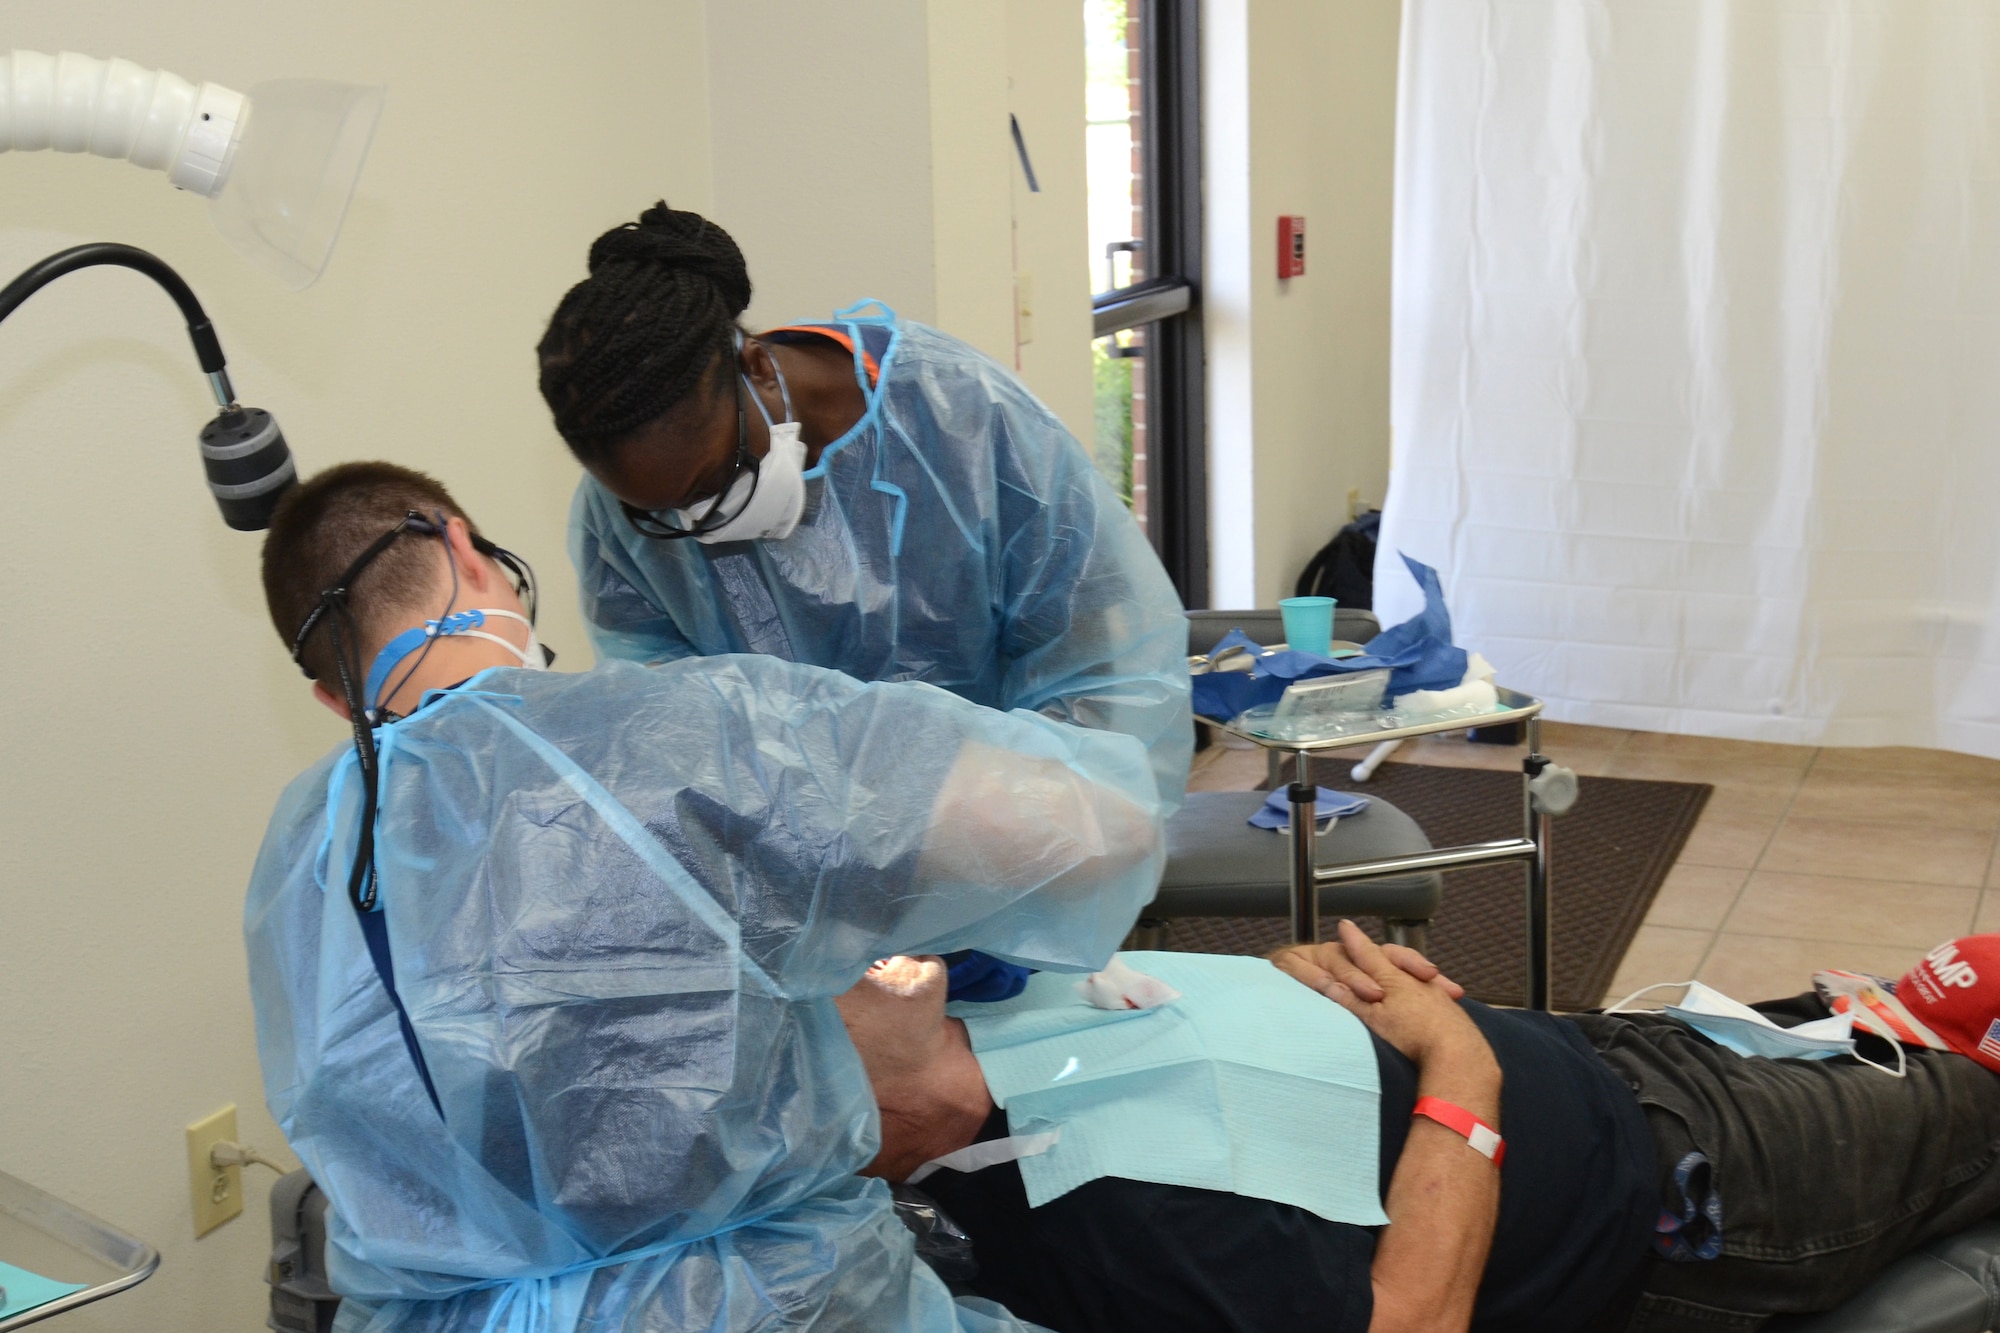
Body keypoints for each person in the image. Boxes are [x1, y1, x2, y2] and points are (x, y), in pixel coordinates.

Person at [244, 461, 1170, 1333]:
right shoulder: (673, 733)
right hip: (770, 1303)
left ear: (334, 699)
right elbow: (1101, 828)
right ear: (465, 549)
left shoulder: (301, 857)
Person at [834, 924, 2000, 1333]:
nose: (877, 961)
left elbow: (1161, 1040)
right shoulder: (1127, 1226)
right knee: (1972, 1095)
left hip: (1603, 1063)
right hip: (1684, 1191)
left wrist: (1288, 985)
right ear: (845, 1106)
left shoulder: (978, 996)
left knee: (1920, 1005)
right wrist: (1460, 1066)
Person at [533, 203, 1192, 897]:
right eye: (664, 514)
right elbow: (675, 715)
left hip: (1005, 839)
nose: (699, 526)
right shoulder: (622, 518)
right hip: (801, 871)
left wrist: (1033, 833)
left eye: (711, 484)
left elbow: (1095, 667)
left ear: (756, 367)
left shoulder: (962, 417)